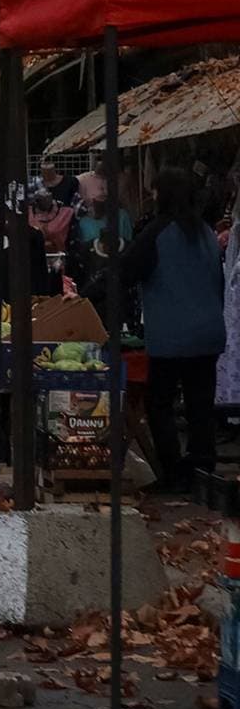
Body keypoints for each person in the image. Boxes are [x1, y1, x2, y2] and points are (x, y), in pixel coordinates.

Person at [124, 167, 226, 491]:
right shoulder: (207, 233)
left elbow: (124, 272)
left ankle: (174, 473)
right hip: (209, 333)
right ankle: (203, 468)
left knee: (160, 404)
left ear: (162, 195)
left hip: (171, 337)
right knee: (200, 405)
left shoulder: (157, 232)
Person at [27, 189, 74, 254]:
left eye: (47, 197)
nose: (45, 200)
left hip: (60, 255)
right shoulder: (26, 213)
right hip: (33, 255)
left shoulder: (67, 212)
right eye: (41, 199)